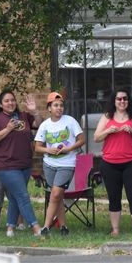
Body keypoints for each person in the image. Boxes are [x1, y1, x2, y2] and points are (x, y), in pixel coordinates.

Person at [94, 89, 132, 237]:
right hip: (110, 163)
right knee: (114, 196)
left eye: (125, 98)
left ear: (128, 101)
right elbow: (96, 138)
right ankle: (115, 230)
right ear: (114, 101)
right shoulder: (106, 117)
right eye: (119, 99)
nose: (122, 101)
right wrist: (108, 131)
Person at [34, 92, 85, 236]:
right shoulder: (45, 125)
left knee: (55, 194)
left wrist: (69, 148)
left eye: (61, 105)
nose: (59, 108)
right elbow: (37, 147)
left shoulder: (70, 121)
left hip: (67, 163)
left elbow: (81, 140)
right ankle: (63, 227)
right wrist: (48, 149)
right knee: (58, 196)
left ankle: (45, 227)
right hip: (49, 164)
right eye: (55, 105)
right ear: (49, 108)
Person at [0, 90, 43, 237]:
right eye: (7, 101)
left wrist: (35, 111)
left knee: (15, 196)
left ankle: (10, 227)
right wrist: (8, 129)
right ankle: (36, 228)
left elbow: (40, 125)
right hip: (5, 164)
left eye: (13, 100)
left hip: (25, 164)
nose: (11, 103)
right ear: (0, 105)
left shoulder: (23, 116)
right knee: (22, 195)